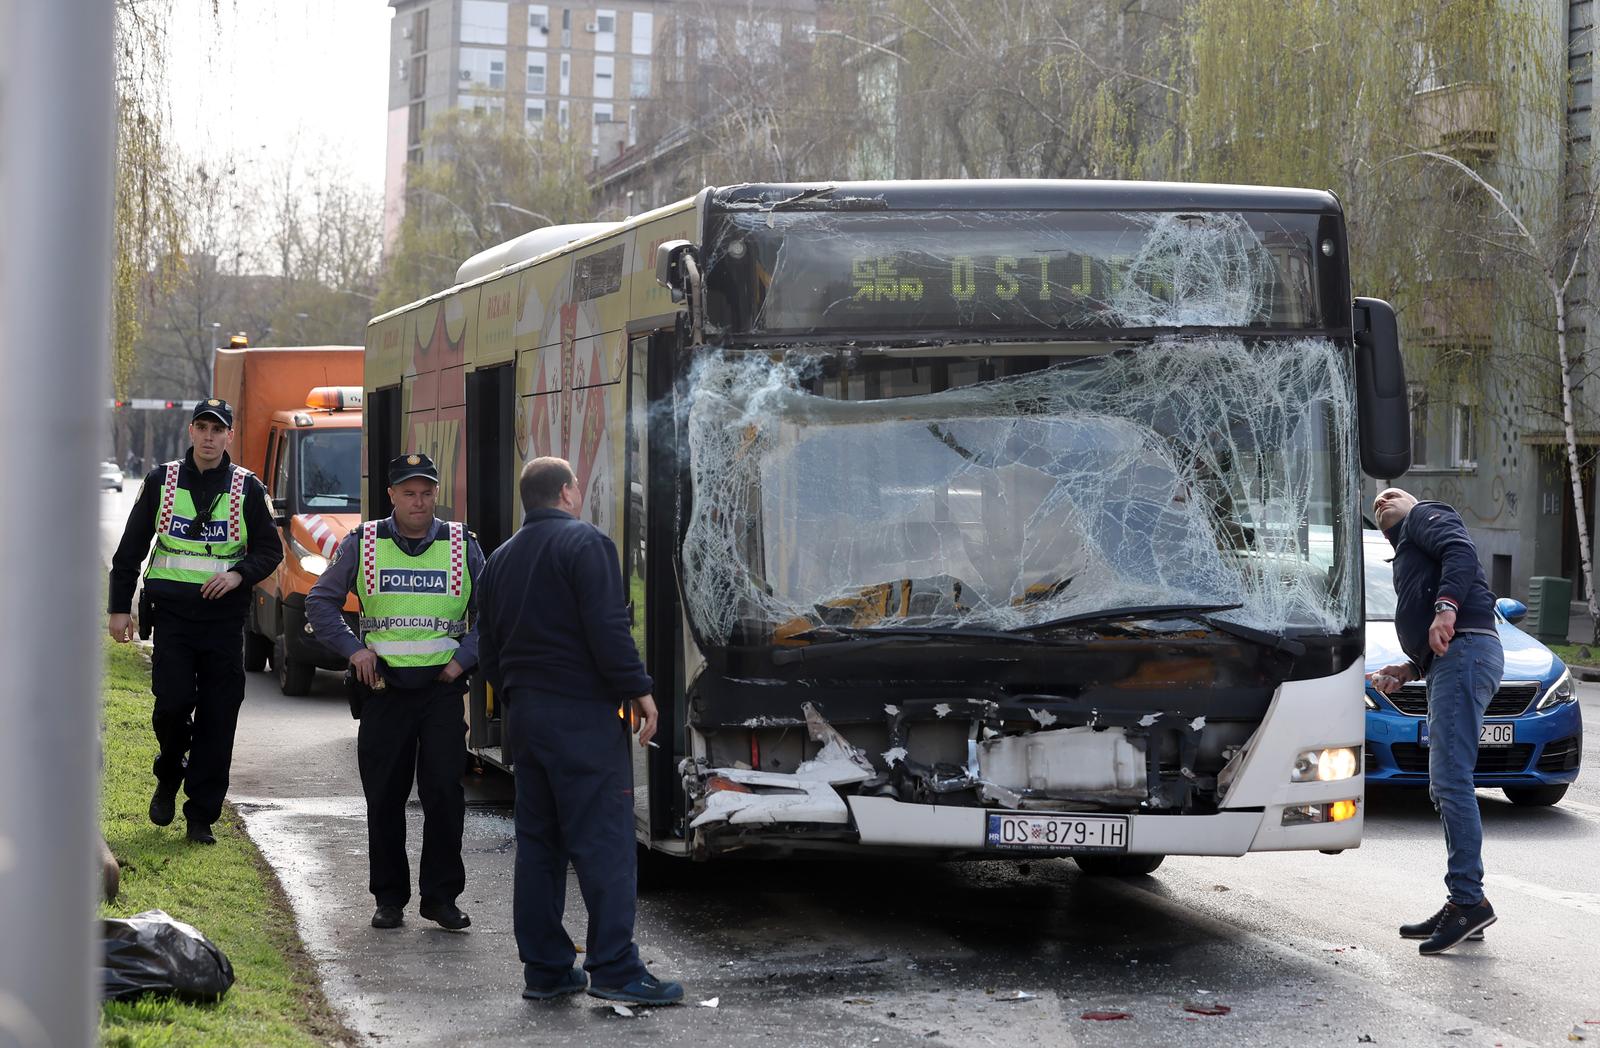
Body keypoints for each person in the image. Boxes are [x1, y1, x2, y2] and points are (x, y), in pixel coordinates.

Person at [478, 456, 684, 1006]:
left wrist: (522, 696)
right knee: (605, 844)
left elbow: (489, 649)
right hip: (583, 719)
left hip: (527, 720)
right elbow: (608, 627)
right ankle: (616, 969)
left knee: (540, 846)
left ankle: (546, 970)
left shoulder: (497, 560)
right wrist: (638, 688)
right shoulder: (587, 545)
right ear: (568, 492)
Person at [307, 453, 485, 932]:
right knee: (384, 798)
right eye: (409, 492)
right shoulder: (363, 542)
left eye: (426, 492)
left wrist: (463, 659)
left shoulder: (461, 544)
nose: (419, 501)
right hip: (382, 689)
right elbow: (320, 601)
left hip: (441, 691)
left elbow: (494, 614)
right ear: (391, 496)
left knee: (445, 795)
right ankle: (389, 899)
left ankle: (441, 899)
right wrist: (353, 651)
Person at [108, 398, 283, 845]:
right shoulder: (161, 480)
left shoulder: (247, 487)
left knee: (218, 718)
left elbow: (270, 550)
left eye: (217, 429)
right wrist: (117, 608)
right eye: (202, 427)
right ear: (191, 432)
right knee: (171, 705)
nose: (209, 436)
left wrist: (238, 574)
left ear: (229, 435)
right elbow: (130, 549)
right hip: (173, 620)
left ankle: (200, 815)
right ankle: (170, 772)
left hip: (225, 623)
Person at [1368, 487, 1504, 955]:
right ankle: (1463, 902)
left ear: (1414, 501)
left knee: (1450, 780)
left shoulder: (1429, 516)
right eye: (1375, 505)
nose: (1381, 501)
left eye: (1391, 495)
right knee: (1443, 781)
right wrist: (1409, 670)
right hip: (1454, 658)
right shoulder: (1409, 548)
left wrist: (1445, 609)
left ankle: (1469, 901)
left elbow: (1461, 552)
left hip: (1466, 652)